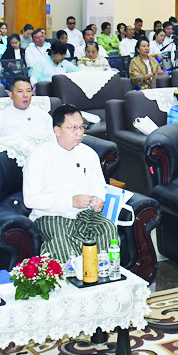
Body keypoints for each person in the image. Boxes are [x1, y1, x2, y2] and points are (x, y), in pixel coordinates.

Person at [22, 104, 119, 262]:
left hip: (84, 214)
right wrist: (70, 201)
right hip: (51, 216)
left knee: (106, 228)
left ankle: (102, 273)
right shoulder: (39, 157)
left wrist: (98, 197)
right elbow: (30, 199)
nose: (79, 133)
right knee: (62, 244)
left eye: (81, 127)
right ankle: (72, 276)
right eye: (73, 128)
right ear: (57, 130)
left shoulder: (88, 153)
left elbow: (98, 184)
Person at [0, 78, 48, 147]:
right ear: (11, 95)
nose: (25, 95)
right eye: (20, 91)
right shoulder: (2, 117)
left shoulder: (43, 115)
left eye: (28, 91)